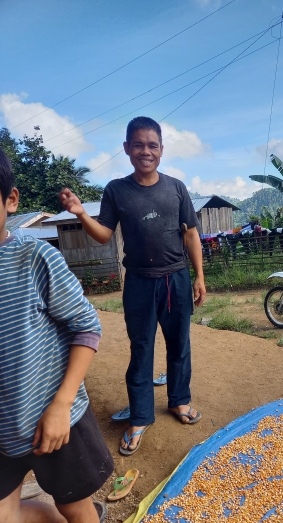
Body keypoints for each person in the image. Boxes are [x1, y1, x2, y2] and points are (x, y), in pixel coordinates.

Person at [0, 149, 114, 523]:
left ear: (10, 200)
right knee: (3, 521)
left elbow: (87, 327)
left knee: (76, 504)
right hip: (2, 429)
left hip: (54, 418)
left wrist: (62, 404)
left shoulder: (34, 258)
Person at [59, 116, 206, 456]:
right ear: (126, 148)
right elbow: (103, 236)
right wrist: (81, 214)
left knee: (179, 344)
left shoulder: (176, 188)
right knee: (141, 348)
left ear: (162, 149)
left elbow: (191, 235)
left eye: (152, 145)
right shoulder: (116, 190)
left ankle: (179, 400)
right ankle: (140, 417)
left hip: (176, 279)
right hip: (139, 281)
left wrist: (199, 276)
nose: (145, 151)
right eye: (138, 145)